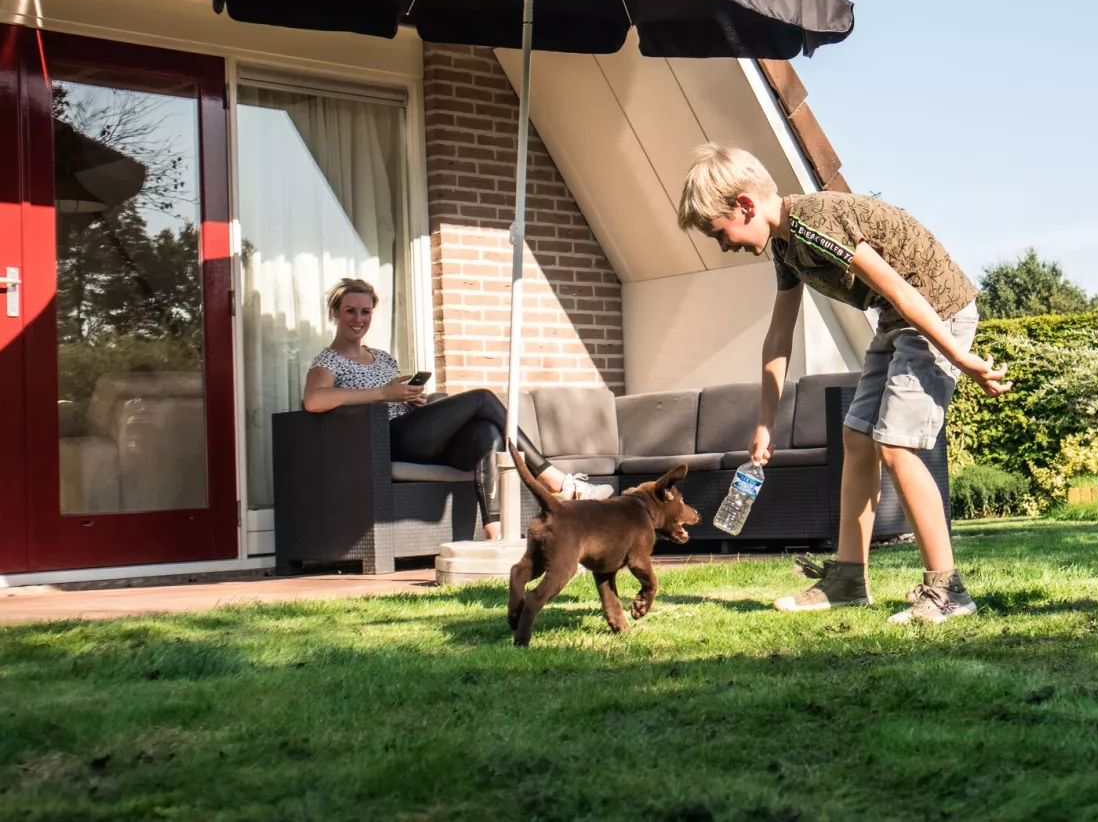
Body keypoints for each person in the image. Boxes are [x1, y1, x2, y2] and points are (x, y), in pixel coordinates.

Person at [676, 145, 1011, 624]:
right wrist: (765, 424)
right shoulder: (787, 247)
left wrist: (960, 357)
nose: (722, 244)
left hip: (936, 312)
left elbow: (898, 287)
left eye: (718, 231)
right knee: (857, 437)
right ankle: (848, 579)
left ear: (746, 205)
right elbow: (778, 336)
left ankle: (948, 589)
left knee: (896, 446)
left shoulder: (815, 223)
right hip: (898, 320)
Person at [302, 278, 611, 540]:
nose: (358, 319)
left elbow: (393, 397)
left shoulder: (382, 358)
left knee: (486, 432)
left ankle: (494, 530)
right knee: (483, 398)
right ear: (335, 314)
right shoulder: (328, 361)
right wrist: (384, 393)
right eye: (350, 311)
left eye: (365, 311)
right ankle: (556, 480)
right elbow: (314, 400)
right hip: (384, 442)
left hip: (415, 434)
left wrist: (409, 398)